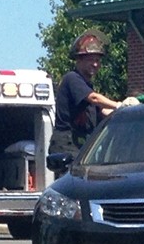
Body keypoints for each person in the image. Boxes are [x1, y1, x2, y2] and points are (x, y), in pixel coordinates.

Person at [49, 29, 121, 176]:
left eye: (98, 60)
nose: (95, 64)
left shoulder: (86, 86)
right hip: (67, 143)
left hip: (83, 144)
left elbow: (101, 111)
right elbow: (94, 98)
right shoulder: (72, 79)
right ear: (79, 60)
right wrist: (119, 105)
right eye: (90, 59)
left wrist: (124, 113)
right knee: (73, 183)